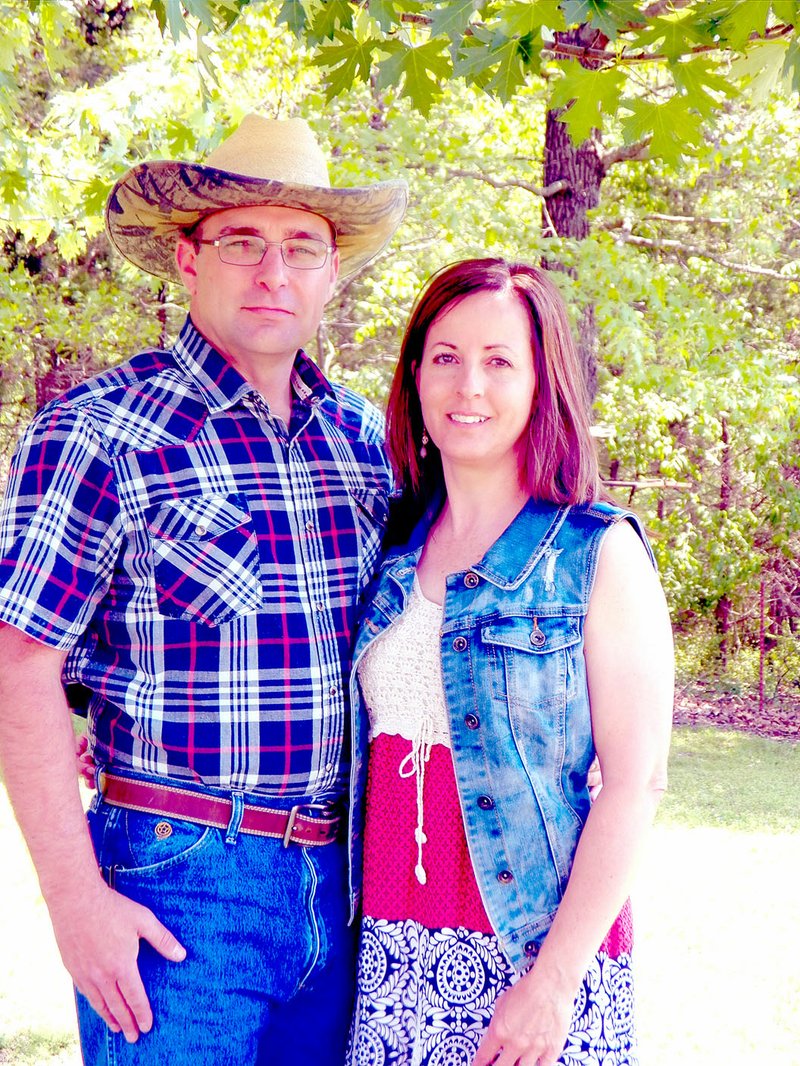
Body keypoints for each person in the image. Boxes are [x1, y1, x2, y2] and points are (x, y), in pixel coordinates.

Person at [0, 115, 407, 1066]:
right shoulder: (100, 431)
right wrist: (74, 903)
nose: (274, 272)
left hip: (348, 881)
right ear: (188, 261)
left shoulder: (360, 440)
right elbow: (20, 666)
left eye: (302, 247)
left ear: (331, 273)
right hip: (179, 879)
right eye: (242, 243)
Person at [346, 258, 674, 1066]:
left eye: (500, 362)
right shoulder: (391, 553)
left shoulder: (597, 553)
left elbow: (637, 782)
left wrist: (554, 983)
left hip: (531, 956)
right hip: (388, 953)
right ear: (415, 374)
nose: (470, 387)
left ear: (541, 383)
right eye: (447, 357)